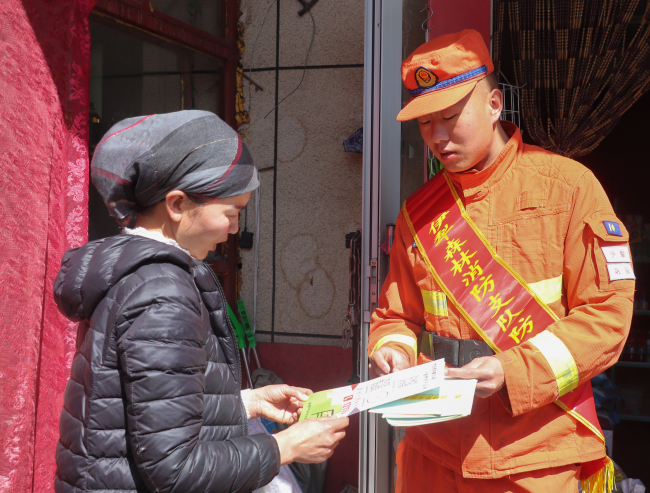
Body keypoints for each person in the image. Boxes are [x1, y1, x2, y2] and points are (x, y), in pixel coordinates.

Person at [368, 29, 634, 492]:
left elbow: (607, 317)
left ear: (494, 105)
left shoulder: (570, 188)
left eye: (450, 117)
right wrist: (392, 349)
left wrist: (512, 370)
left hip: (535, 455)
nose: (437, 136)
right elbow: (397, 316)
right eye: (425, 122)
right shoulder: (418, 212)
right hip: (432, 452)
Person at [53, 110, 348, 493]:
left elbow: (150, 410)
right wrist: (286, 447)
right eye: (231, 212)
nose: (234, 228)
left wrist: (245, 403)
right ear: (176, 205)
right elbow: (173, 469)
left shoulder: (144, 275)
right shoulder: (161, 293)